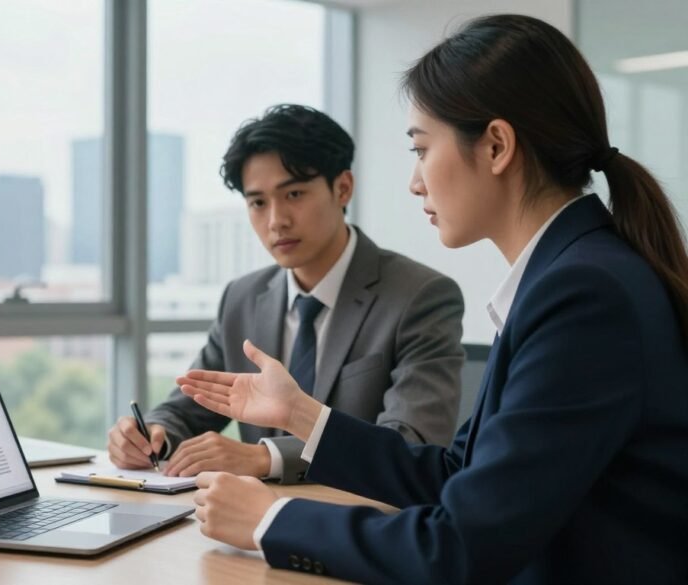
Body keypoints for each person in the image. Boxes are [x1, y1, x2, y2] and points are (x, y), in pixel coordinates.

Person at [177, 14, 688, 584]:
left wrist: (272, 520)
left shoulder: (583, 294)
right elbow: (456, 472)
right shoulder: (570, 274)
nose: (415, 182)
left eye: (421, 149)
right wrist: (299, 413)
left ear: (496, 145)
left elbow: (461, 547)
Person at [107, 105, 465, 483]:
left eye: (293, 194)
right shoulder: (242, 298)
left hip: (364, 521)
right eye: (258, 202)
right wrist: (152, 435)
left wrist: (267, 458)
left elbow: (410, 443)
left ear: (343, 188)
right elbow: (190, 407)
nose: (276, 220)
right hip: (251, 521)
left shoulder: (420, 296)